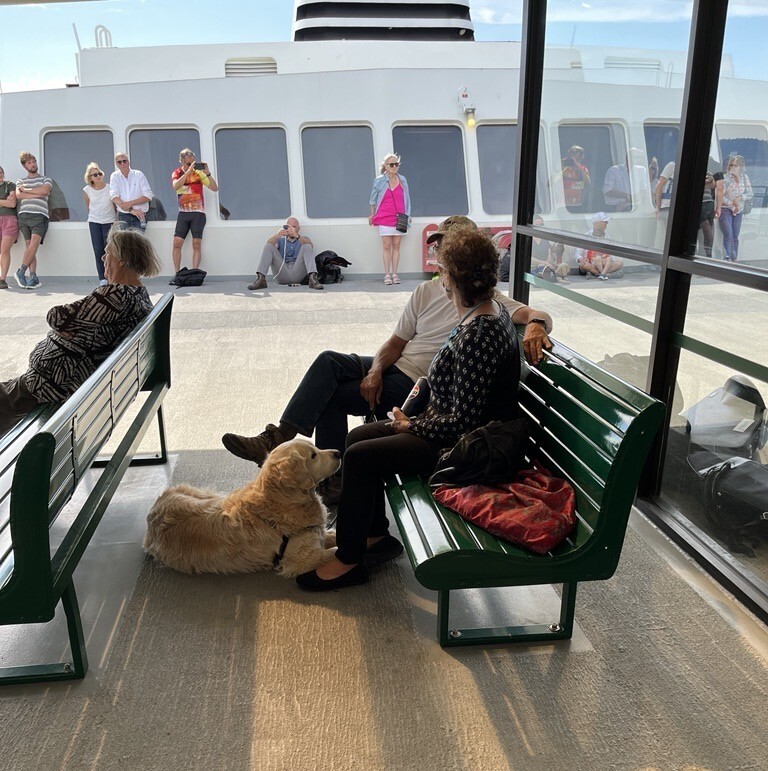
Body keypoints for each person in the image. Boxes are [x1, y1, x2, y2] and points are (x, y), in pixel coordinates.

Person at [222, 216, 553, 501]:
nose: (439, 253)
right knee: (328, 362)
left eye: (447, 248)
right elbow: (395, 343)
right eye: (439, 246)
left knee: (330, 398)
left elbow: (533, 313)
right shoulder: (427, 291)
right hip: (397, 368)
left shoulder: (485, 300)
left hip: (418, 386)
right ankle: (278, 437)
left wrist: (537, 324)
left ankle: (332, 481)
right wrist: (376, 370)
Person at [295, 225, 523, 590]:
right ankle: (373, 537)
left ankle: (349, 561)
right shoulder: (483, 312)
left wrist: (410, 426)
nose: (440, 277)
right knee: (357, 438)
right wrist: (413, 414)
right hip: (447, 427)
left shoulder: (479, 334)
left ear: (454, 278)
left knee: (361, 457)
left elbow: (463, 422)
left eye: (444, 270)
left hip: (466, 447)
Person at [0, 226, 161, 436]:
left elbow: (56, 316)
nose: (104, 257)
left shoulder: (113, 296)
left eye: (108, 252)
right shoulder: (137, 295)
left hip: (50, 386)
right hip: (65, 384)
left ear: (121, 259)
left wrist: (62, 330)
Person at [171, 148, 219, 273]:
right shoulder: (176, 173)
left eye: (193, 163)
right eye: (188, 163)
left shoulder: (199, 174)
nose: (191, 166)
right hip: (183, 213)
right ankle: (177, 273)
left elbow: (215, 188)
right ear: (182, 161)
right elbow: (176, 186)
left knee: (196, 244)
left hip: (198, 213)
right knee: (177, 243)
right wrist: (187, 172)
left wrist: (207, 173)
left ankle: (194, 272)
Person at [247, 217, 323, 290]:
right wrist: (277, 236)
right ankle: (261, 279)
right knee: (269, 246)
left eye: (294, 227)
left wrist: (296, 236)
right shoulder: (280, 240)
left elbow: (310, 245)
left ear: (298, 229)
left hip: (298, 272)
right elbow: (269, 245)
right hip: (282, 273)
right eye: (289, 227)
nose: (291, 229)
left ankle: (313, 280)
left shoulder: (303, 239)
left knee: (307, 246)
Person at [369, 153, 411, 285]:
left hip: (400, 217)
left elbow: (407, 199)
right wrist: (372, 215)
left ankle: (395, 274)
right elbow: (372, 200)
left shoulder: (402, 179)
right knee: (387, 246)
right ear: (385, 167)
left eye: (396, 164)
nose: (394, 166)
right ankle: (387, 274)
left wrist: (408, 215)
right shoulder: (379, 180)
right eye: (391, 164)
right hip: (384, 216)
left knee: (397, 246)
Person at [14, 151, 52, 290]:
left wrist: (27, 191)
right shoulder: (20, 181)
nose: (33, 164)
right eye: (29, 162)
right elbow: (19, 195)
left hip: (39, 215)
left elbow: (44, 191)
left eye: (34, 161)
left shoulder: (46, 179)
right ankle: (34, 277)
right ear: (25, 166)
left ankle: (21, 272)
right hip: (24, 215)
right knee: (30, 246)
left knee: (34, 244)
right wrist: (35, 192)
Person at [83, 162, 116, 286]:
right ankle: (102, 278)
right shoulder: (87, 190)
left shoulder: (110, 187)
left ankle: (112, 276)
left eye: (99, 173)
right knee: (98, 250)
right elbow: (89, 207)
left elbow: (114, 205)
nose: (97, 176)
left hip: (109, 221)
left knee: (110, 251)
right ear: (90, 177)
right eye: (94, 175)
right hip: (94, 222)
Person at [717, 154, 752, 262]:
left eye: (735, 165)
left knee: (735, 235)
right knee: (729, 234)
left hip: (739, 210)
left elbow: (750, 193)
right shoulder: (726, 178)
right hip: (725, 209)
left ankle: (734, 259)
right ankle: (728, 257)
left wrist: (741, 197)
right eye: (730, 165)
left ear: (741, 166)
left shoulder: (745, 178)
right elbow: (720, 196)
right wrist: (732, 205)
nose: (732, 167)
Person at [109, 153, 153, 232]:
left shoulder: (138, 174)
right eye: (119, 162)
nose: (122, 164)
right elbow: (114, 197)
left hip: (140, 215)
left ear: (128, 162)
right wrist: (131, 210)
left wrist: (131, 203)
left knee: (137, 243)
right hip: (123, 216)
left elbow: (148, 195)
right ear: (116, 164)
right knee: (124, 243)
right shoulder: (114, 176)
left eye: (124, 161)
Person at [575, 212, 624, 280]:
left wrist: (609, 260)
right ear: (597, 223)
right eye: (605, 222)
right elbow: (578, 253)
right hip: (591, 263)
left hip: (604, 263)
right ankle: (605, 274)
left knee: (620, 263)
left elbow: (612, 254)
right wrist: (580, 259)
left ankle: (597, 273)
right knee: (584, 265)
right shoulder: (585, 236)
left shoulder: (607, 237)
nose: (607, 223)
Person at [0, 166, 18, 290]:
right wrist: (3, 201)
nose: (0, 174)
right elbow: (7, 202)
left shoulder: (10, 185)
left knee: (4, 250)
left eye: (1, 171)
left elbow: (12, 203)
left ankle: (3, 279)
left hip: (9, 220)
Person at [561, 145, 591, 211]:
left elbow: (588, 182)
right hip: (562, 204)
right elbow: (552, 182)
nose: (571, 154)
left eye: (574, 152)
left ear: (581, 156)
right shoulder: (563, 167)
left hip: (577, 204)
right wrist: (561, 168)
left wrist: (579, 168)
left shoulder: (583, 168)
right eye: (570, 152)